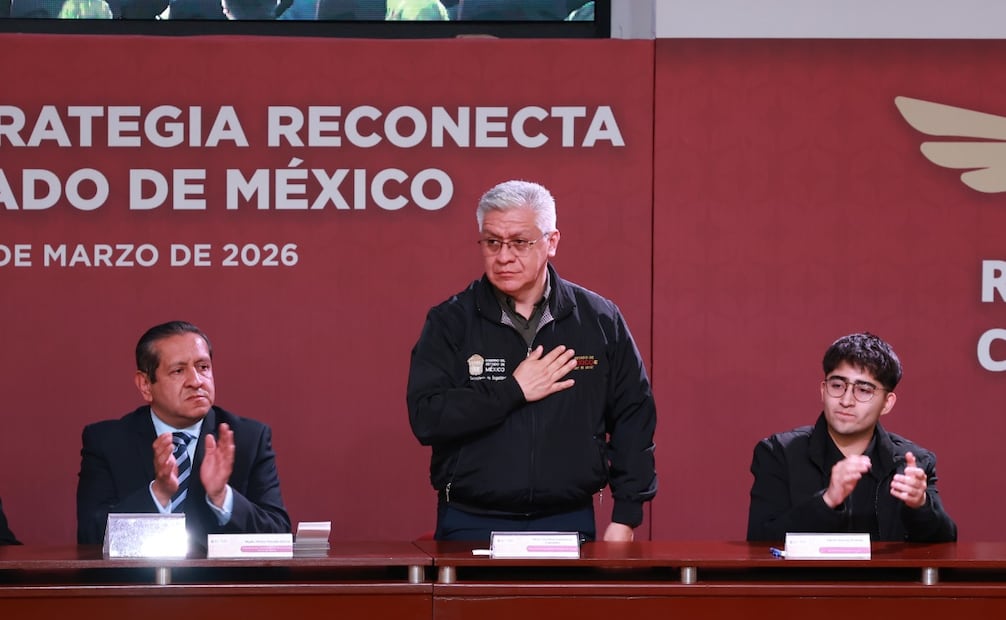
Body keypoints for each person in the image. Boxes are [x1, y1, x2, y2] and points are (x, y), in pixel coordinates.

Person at [407, 179, 657, 542]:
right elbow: (427, 417)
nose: (504, 256)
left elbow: (635, 417)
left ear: (551, 241)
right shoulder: (450, 321)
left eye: (520, 243)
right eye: (492, 242)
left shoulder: (598, 319)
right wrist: (513, 390)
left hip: (568, 517)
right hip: (469, 519)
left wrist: (627, 516)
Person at [76, 321, 290, 550]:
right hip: (139, 584)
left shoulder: (248, 439)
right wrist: (157, 493)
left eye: (203, 367)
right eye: (178, 370)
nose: (196, 381)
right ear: (146, 385)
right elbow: (91, 537)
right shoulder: (107, 442)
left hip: (223, 585)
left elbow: (280, 537)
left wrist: (222, 498)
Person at [747, 332, 957, 542]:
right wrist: (827, 501)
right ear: (823, 390)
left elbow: (946, 546)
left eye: (864, 390)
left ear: (887, 403)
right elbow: (759, 542)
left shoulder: (913, 462)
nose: (846, 400)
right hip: (806, 576)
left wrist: (920, 505)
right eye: (837, 386)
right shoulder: (779, 453)